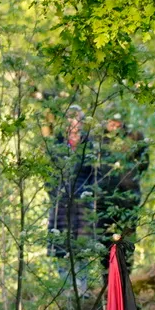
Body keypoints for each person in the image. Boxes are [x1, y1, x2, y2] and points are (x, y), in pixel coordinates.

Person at [47, 104, 99, 287]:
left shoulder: (90, 146)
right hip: (60, 205)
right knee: (60, 246)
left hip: (83, 205)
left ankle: (82, 288)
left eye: (76, 118)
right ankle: (66, 288)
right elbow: (48, 174)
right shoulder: (56, 145)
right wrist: (56, 193)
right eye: (69, 118)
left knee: (82, 247)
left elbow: (96, 174)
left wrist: (89, 194)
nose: (73, 123)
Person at [96, 113, 149, 272]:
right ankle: (107, 280)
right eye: (110, 121)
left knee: (126, 238)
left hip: (128, 198)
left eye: (117, 121)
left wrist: (130, 175)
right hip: (103, 199)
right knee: (104, 238)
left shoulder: (134, 137)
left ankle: (125, 276)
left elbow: (144, 162)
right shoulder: (98, 141)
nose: (114, 124)